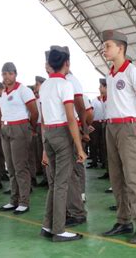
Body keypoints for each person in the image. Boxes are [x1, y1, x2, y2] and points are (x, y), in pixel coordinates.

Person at [100, 29, 136, 244]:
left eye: (108, 46)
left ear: (120, 48)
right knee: (116, 176)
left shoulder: (132, 71)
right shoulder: (110, 74)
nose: (104, 50)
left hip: (127, 126)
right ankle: (123, 220)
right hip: (111, 127)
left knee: (133, 177)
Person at [39, 46, 86, 242]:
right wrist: (80, 147)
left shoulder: (44, 86)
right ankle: (58, 229)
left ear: (51, 64)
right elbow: (70, 118)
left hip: (48, 133)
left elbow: (42, 119)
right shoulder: (65, 85)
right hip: (61, 134)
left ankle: (47, 224)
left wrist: (43, 147)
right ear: (66, 63)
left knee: (54, 183)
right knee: (62, 183)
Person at [0, 62, 38, 215]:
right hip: (6, 128)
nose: (7, 76)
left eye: (9, 73)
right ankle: (13, 200)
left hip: (20, 128)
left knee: (21, 167)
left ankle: (24, 201)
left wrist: (31, 128)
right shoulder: (4, 92)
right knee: (11, 167)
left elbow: (34, 112)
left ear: (15, 74)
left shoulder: (23, 90)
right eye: (4, 74)